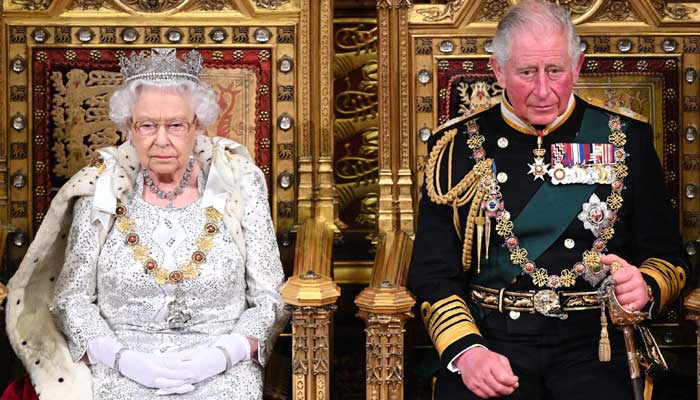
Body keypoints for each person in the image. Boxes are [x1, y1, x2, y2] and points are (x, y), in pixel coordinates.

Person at [408, 1, 688, 399]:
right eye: (526, 72)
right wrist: (466, 351)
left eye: (555, 71)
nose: (543, 91)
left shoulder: (626, 140)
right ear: (498, 70)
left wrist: (644, 287)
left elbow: (670, 258)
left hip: (596, 345)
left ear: (577, 66)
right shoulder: (454, 148)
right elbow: (432, 272)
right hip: (493, 339)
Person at [5, 48, 289, 399]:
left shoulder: (240, 185)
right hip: (119, 370)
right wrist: (123, 360)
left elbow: (270, 299)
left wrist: (221, 356)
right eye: (147, 125)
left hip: (222, 370)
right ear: (128, 128)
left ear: (198, 125)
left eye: (176, 125)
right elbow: (71, 299)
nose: (161, 139)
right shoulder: (100, 191)